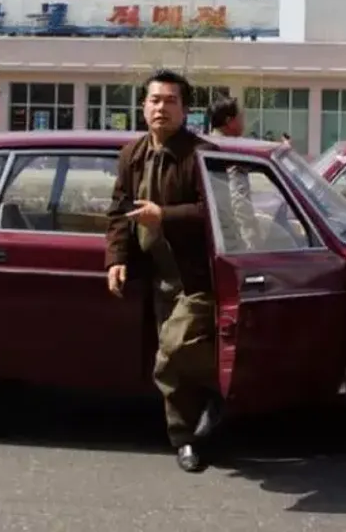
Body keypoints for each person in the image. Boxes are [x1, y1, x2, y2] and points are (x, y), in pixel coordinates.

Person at [105, 69, 220, 473]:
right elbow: (119, 212)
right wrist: (117, 259)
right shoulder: (131, 155)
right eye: (155, 100)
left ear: (185, 110)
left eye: (171, 101)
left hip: (196, 278)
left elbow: (215, 213)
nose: (161, 108)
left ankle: (215, 400)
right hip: (157, 277)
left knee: (171, 353)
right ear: (143, 107)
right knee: (172, 359)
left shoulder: (201, 155)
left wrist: (164, 216)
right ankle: (187, 437)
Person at [206, 96, 261, 252]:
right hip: (230, 239)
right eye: (241, 117)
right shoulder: (230, 152)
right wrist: (251, 242)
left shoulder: (209, 144)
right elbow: (239, 201)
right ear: (230, 122)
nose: (244, 122)